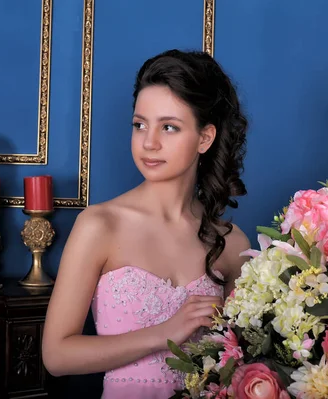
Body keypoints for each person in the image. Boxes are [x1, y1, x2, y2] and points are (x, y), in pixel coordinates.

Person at [42, 49, 251, 399]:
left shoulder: (231, 243)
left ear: (205, 138)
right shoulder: (99, 225)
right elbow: (56, 356)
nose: (149, 143)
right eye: (140, 125)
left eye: (169, 127)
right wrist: (165, 332)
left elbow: (242, 361)